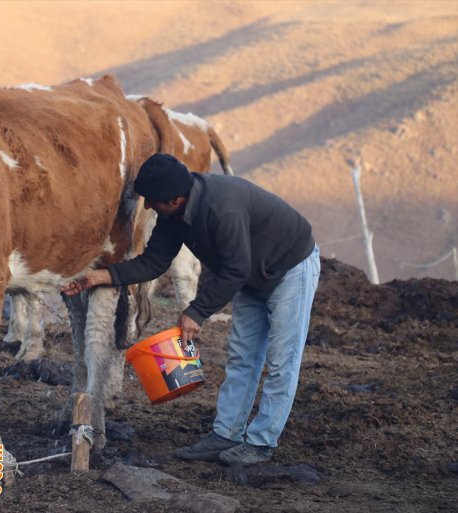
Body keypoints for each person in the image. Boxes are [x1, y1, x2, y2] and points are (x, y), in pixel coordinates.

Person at [62, 153, 320, 466]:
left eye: (152, 200)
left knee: (282, 360)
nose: (148, 207)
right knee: (242, 356)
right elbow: (154, 262)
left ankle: (262, 442)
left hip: (289, 267)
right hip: (251, 276)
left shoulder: (221, 207)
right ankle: (226, 434)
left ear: (175, 198)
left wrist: (195, 312)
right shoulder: (174, 216)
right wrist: (100, 276)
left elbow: (236, 269)